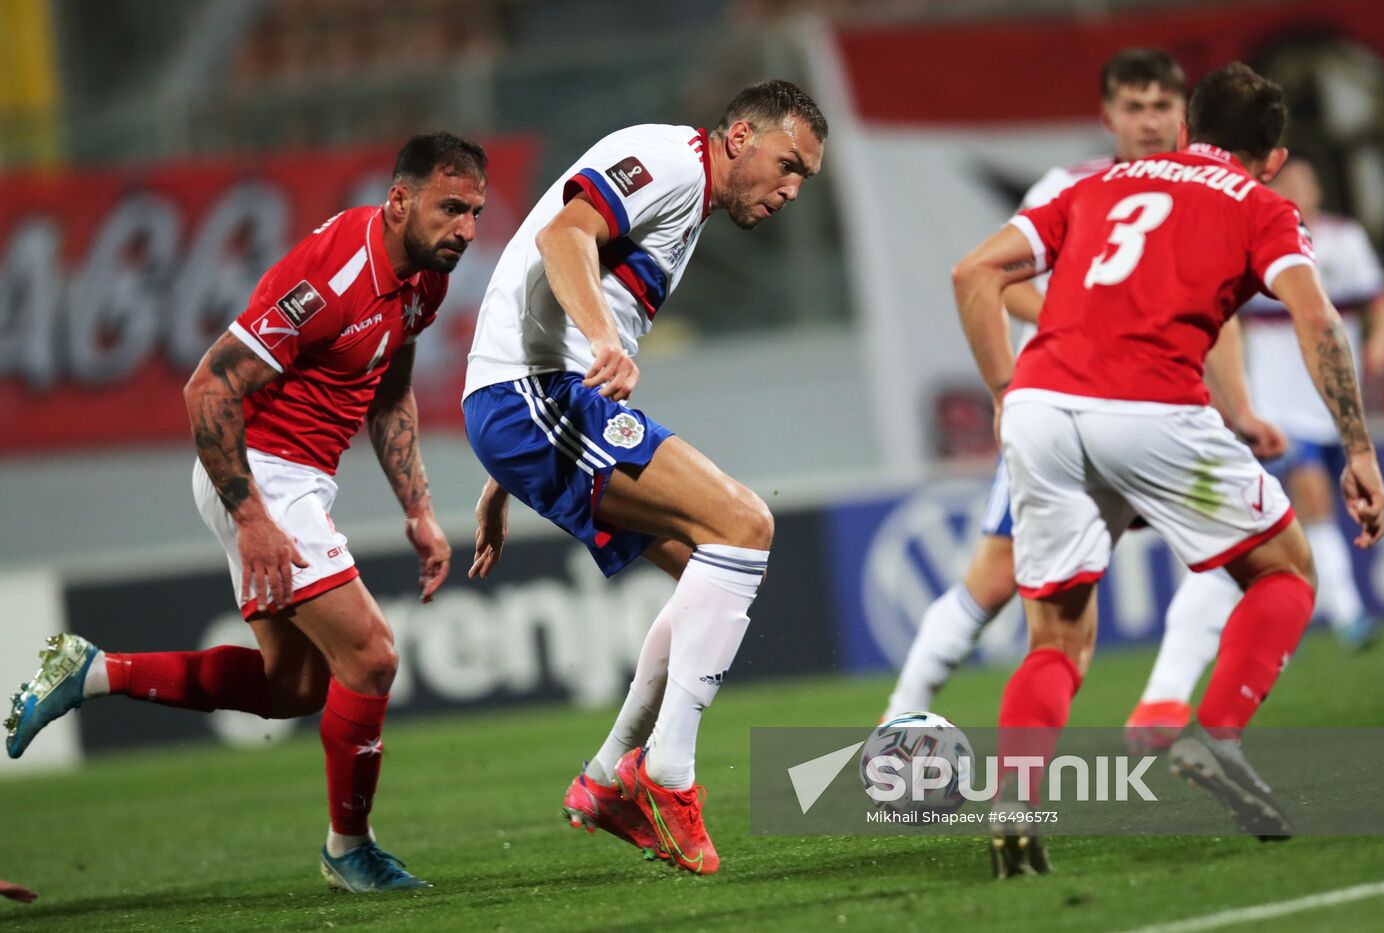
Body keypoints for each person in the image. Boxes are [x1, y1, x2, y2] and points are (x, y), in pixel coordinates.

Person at [4, 132, 487, 893]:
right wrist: (254, 514)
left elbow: (390, 389)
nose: (465, 227)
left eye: (475, 213)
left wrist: (418, 509)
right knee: (371, 655)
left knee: (291, 688)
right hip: (257, 469)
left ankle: (92, 671)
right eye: (450, 207)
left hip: (296, 482)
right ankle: (348, 847)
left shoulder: (425, 278)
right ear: (399, 200)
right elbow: (207, 388)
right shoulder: (334, 275)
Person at [953, 62, 1384, 877]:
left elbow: (972, 272)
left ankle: (1014, 805)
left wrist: (1007, 393)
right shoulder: (1263, 205)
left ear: (1187, 129)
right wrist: (1357, 447)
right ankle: (1216, 733)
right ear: (1271, 155)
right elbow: (1316, 316)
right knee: (1286, 568)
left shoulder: (1097, 185)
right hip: (1151, 411)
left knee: (1056, 635)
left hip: (1043, 412)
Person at [462, 80, 825, 875]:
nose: (792, 190)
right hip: (534, 398)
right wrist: (604, 342)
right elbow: (563, 237)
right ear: (739, 136)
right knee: (745, 526)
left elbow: (540, 290)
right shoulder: (669, 161)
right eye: (788, 164)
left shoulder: (686, 197)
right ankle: (665, 772)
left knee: (713, 576)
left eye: (805, 179)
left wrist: (502, 482)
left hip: (533, 405)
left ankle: (609, 777)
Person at [885, 49, 1288, 720]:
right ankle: (894, 721)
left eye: (1163, 106)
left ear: (1185, 115)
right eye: (1135, 106)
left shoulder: (1202, 190)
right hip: (1070, 403)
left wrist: (1240, 406)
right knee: (990, 585)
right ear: (1108, 116)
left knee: (1233, 554)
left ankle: (1164, 701)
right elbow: (999, 280)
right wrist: (1094, 330)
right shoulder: (1066, 185)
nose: (1151, 121)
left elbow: (1219, 311)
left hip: (1153, 408)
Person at [1124, 156, 1384, 746]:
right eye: (1289, 181)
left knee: (1293, 526)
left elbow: (1379, 301)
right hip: (1277, 409)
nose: (1298, 189)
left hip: (1330, 401)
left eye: (1307, 181)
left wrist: (1379, 344)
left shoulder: (1343, 241)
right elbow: (1224, 322)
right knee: (1308, 502)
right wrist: (1239, 403)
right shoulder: (1251, 229)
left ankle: (1177, 698)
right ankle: (1347, 615)